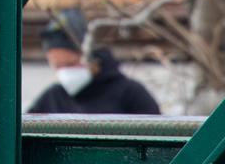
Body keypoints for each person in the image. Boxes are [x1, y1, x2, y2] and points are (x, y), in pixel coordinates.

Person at [27, 7, 159, 115]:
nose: (64, 72)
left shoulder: (130, 94)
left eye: (70, 64)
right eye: (57, 66)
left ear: (90, 56)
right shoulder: (52, 98)